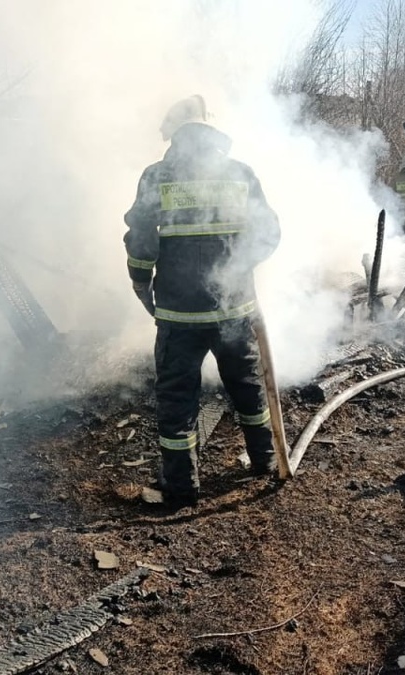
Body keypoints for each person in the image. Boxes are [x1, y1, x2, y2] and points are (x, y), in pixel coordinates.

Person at [124, 95, 282, 509]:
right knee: (248, 388)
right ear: (214, 132)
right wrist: (237, 268)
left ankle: (182, 487)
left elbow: (142, 240)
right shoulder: (240, 174)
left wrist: (141, 282)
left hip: (179, 315)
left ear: (175, 133)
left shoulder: (157, 176)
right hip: (234, 309)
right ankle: (265, 459)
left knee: (177, 399)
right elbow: (268, 234)